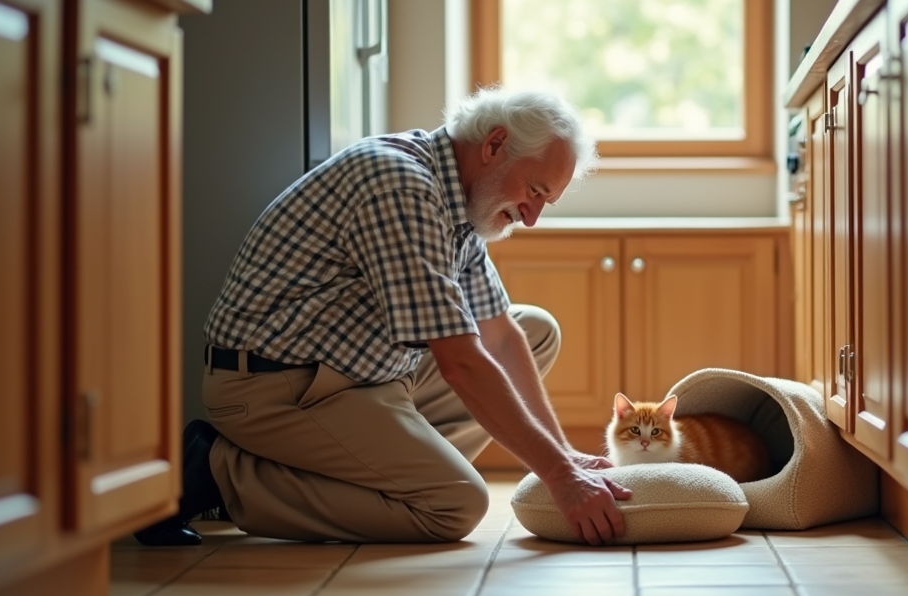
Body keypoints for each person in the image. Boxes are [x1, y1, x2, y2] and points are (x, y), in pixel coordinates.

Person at [135, 87, 631, 547]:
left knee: (535, 332)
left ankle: (379, 467)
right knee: (453, 504)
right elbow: (459, 361)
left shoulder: (462, 206)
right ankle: (219, 473)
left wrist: (562, 455)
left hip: (361, 378)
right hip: (277, 389)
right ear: (495, 144)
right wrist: (562, 480)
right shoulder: (401, 185)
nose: (531, 217)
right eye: (535, 190)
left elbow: (499, 336)